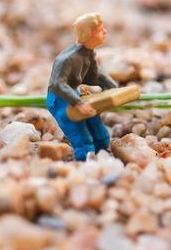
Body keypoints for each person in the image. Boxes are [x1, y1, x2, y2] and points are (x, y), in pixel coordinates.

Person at [46, 13, 119, 161]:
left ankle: (102, 154)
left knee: (102, 137)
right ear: (88, 35)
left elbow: (95, 75)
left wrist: (111, 87)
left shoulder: (88, 54)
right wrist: (78, 103)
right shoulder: (67, 59)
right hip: (60, 99)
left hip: (75, 93)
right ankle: (84, 162)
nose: (105, 31)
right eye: (100, 30)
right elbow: (58, 84)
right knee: (84, 140)